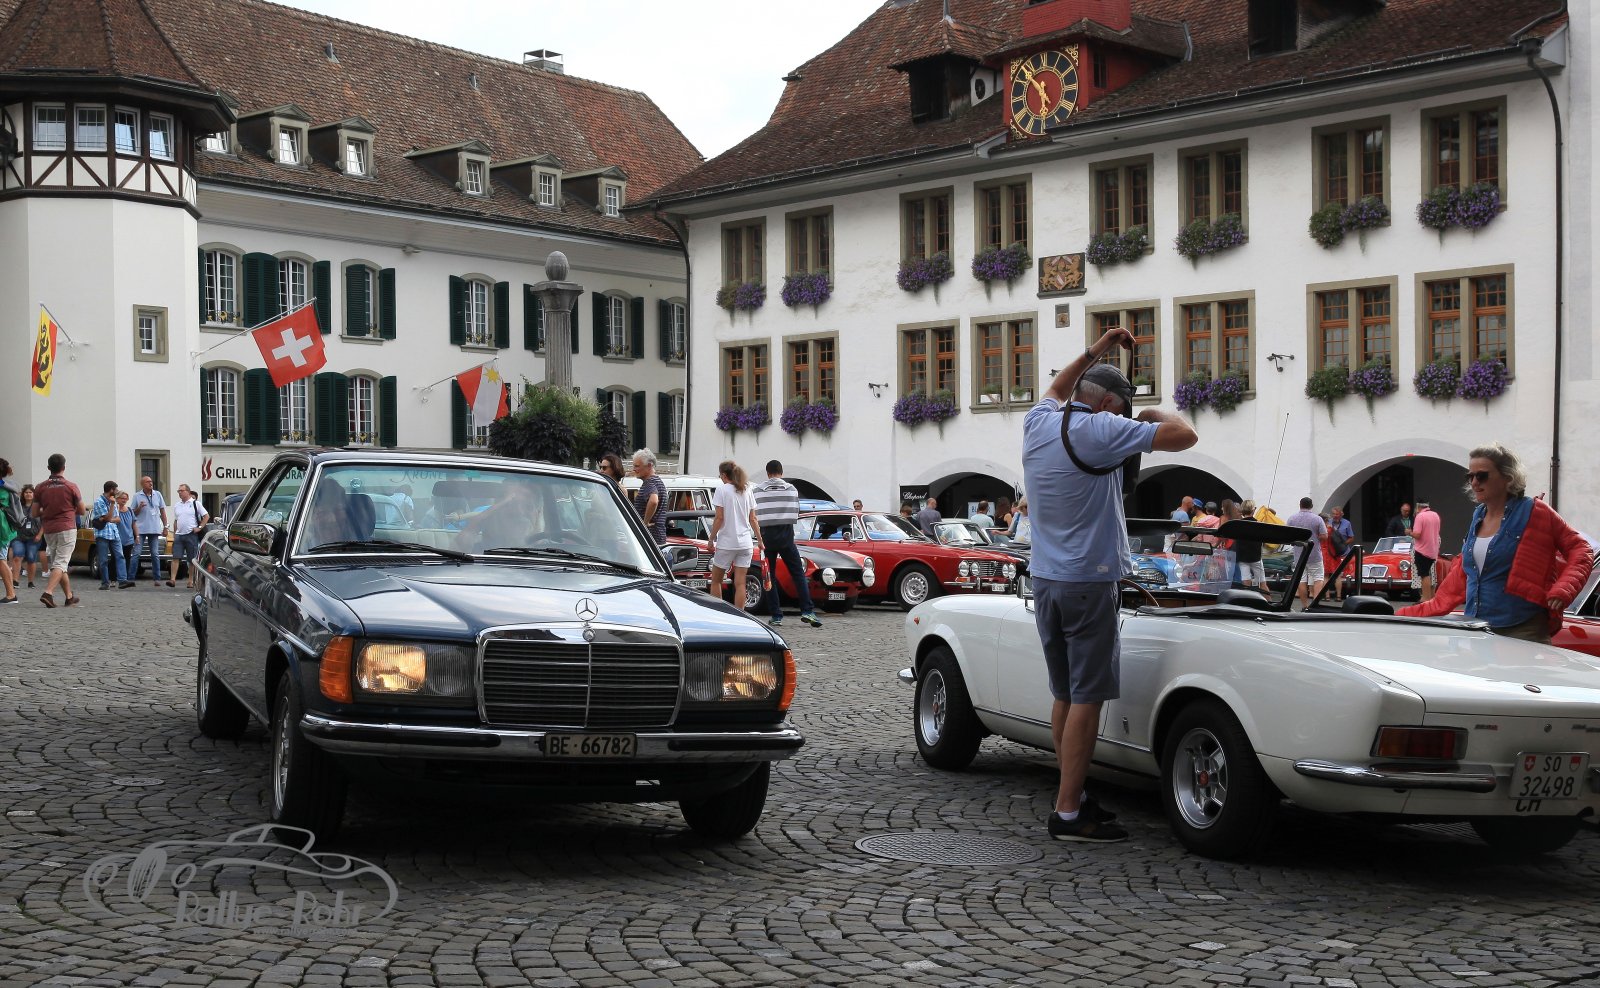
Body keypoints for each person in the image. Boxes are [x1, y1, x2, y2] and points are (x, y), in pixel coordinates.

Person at [1024, 326, 1197, 843]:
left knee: (1065, 694)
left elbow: (1058, 386)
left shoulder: (1038, 420)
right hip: (1089, 581)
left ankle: (1071, 794)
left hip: (1046, 580)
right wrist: (1153, 414)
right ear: (1107, 405)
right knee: (1087, 699)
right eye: (1121, 410)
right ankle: (1068, 813)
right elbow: (1186, 436)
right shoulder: (1101, 429)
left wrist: (1098, 347)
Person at [1399, 444, 1592, 643]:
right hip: (1477, 627)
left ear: (1508, 477)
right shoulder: (1479, 515)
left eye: (1481, 476)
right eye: (1470, 476)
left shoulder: (1535, 511)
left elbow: (1581, 549)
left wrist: (1564, 588)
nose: (1474, 482)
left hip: (1523, 629)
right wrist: (1406, 614)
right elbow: (1463, 574)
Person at [752, 460, 821, 628]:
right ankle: (807, 610)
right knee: (798, 574)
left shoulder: (757, 491)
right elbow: (796, 512)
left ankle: (776, 615)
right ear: (781, 473)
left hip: (766, 537)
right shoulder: (791, 489)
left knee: (769, 576)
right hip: (786, 535)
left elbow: (754, 514)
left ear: (768, 473)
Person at [33, 452, 84, 607]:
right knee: (61, 563)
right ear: (64, 467)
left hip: (49, 529)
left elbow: (34, 513)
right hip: (67, 527)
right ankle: (48, 593)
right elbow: (82, 510)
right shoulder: (71, 486)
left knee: (59, 564)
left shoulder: (40, 487)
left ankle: (69, 597)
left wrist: (48, 510)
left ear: (48, 468)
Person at [708, 460, 759, 612]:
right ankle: (740, 615)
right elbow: (753, 519)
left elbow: (719, 518)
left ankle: (719, 613)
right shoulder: (747, 489)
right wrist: (760, 540)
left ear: (724, 475)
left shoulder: (722, 490)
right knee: (740, 582)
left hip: (727, 542)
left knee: (716, 580)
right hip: (745, 542)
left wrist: (711, 539)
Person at [91, 481, 134, 590]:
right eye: (116, 489)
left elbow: (117, 519)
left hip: (114, 533)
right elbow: (109, 517)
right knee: (103, 560)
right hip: (103, 534)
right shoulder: (99, 502)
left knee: (120, 556)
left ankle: (122, 580)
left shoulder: (113, 501)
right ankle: (105, 583)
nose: (117, 491)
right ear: (111, 490)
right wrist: (112, 506)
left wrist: (108, 519)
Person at [1285, 497, 1328, 608]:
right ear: (1311, 506)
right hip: (1314, 554)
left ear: (1300, 505)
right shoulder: (1318, 519)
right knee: (1318, 578)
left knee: (1301, 580)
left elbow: (1287, 536)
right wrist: (1315, 537)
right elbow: (1324, 536)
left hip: (1299, 555)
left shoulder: (1292, 518)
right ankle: (1314, 605)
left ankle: (1304, 605)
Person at [130, 475, 170, 587]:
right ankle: (131, 578)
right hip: (141, 529)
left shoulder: (158, 494)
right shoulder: (137, 496)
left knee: (155, 554)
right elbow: (133, 513)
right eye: (147, 482)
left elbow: (162, 511)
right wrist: (139, 507)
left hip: (154, 528)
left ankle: (157, 578)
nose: (150, 483)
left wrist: (166, 527)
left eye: (151, 481)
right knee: (136, 553)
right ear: (142, 484)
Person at [169, 484, 209, 589]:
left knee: (191, 559)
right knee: (175, 557)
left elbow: (206, 516)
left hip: (191, 534)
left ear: (188, 492)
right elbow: (176, 520)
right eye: (178, 491)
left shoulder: (195, 503)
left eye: (181, 491)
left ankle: (190, 580)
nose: (180, 493)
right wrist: (175, 533)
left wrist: (199, 527)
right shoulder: (177, 505)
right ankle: (172, 579)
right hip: (179, 534)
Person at [630, 448, 668, 545]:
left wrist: (644, 523)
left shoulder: (649, 483)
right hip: (658, 535)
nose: (634, 469)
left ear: (649, 466)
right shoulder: (658, 482)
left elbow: (654, 501)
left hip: (649, 536)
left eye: (637, 466)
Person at [10, 483, 43, 590]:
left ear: (34, 494)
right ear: (23, 494)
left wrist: (40, 535)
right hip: (18, 536)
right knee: (17, 556)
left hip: (33, 537)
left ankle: (30, 581)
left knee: (31, 558)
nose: (28, 494)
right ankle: (15, 581)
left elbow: (45, 522)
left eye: (30, 492)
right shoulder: (18, 506)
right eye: (26, 492)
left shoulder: (38, 507)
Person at [1411, 499, 1442, 602]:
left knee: (1424, 574)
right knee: (1431, 574)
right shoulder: (1435, 515)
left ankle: (1425, 598)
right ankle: (1431, 597)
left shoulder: (1420, 516)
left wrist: (1409, 532)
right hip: (1433, 550)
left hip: (1422, 550)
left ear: (1418, 507)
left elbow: (1417, 534)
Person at [0, 459, 18, 603]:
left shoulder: (3, 487)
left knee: (1, 560)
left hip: (2, 528)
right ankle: (11, 594)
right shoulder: (6, 485)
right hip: (4, 527)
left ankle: (11, 594)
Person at [115, 490, 137, 579]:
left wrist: (137, 536)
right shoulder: (114, 510)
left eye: (125, 498)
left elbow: (134, 524)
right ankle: (114, 578)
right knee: (116, 558)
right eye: (122, 498)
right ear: (117, 499)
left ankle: (125, 578)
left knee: (127, 558)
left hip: (129, 539)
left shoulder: (130, 510)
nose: (124, 500)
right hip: (117, 539)